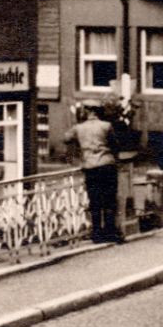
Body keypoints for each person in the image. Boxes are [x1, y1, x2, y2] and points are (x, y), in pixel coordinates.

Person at [67, 103, 122, 244]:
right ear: (98, 112)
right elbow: (115, 144)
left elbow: (66, 138)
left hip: (90, 166)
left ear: (87, 112)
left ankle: (97, 233)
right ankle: (110, 231)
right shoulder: (106, 126)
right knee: (109, 199)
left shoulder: (79, 128)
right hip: (106, 164)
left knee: (95, 200)